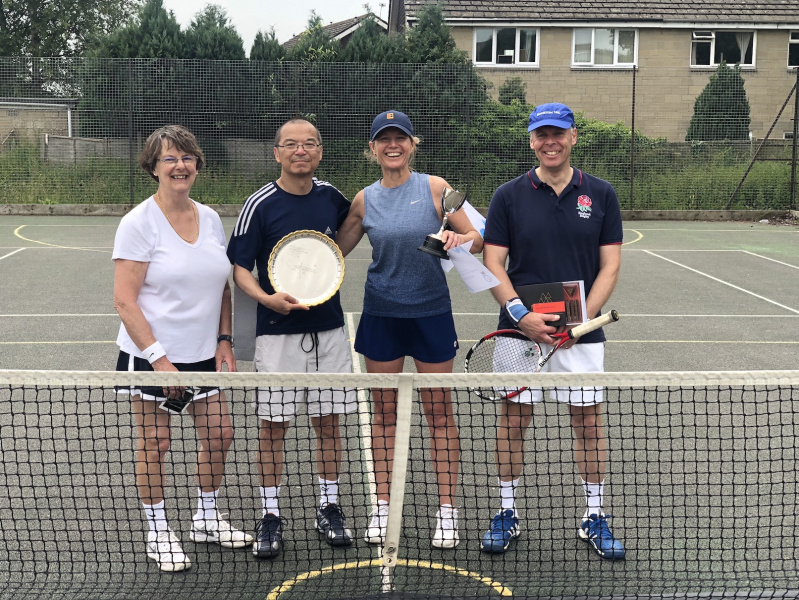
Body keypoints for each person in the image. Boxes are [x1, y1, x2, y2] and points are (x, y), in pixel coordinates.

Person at [480, 103, 625, 560]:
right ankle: (506, 512)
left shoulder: (601, 194)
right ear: (530, 140)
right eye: (541, 134)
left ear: (573, 136)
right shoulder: (507, 196)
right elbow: (493, 263)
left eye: (558, 133)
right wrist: (521, 314)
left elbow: (611, 265)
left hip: (579, 334)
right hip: (519, 332)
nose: (550, 142)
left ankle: (594, 516)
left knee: (588, 422)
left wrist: (582, 321)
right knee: (514, 421)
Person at [336, 110, 483, 549]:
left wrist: (462, 241)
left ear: (413, 144)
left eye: (400, 137)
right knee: (384, 416)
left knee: (439, 414)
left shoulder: (436, 188)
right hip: (381, 316)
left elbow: (475, 234)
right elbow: (333, 251)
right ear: (373, 149)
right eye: (384, 139)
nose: (392, 145)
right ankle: (382, 508)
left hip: (431, 314)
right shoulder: (363, 199)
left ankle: (447, 512)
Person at [113, 125, 252, 572]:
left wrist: (225, 341)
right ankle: (158, 531)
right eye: (169, 158)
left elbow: (223, 286)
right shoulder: (138, 223)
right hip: (153, 357)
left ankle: (206, 518)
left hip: (204, 355)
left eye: (187, 157)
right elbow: (124, 300)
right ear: (153, 167)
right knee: (156, 443)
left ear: (198, 164)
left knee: (220, 434)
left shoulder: (209, 217)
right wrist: (161, 362)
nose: (180, 165)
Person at [227, 118, 356, 559]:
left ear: (319, 151)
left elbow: (346, 237)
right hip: (277, 334)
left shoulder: (331, 197)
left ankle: (329, 507)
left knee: (328, 424)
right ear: (277, 152)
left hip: (329, 332)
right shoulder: (259, 203)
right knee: (273, 428)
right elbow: (240, 268)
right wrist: (268, 299)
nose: (301, 151)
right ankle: (269, 515)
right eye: (291, 145)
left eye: (309, 144)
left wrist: (328, 268)